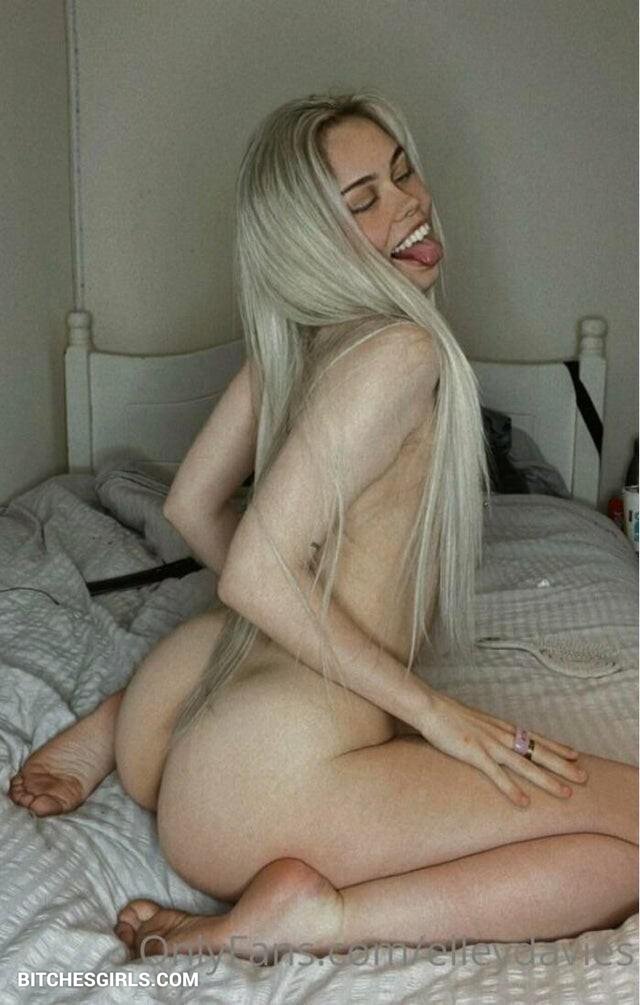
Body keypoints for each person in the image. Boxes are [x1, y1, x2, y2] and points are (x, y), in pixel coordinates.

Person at [9, 92, 638, 962]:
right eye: (364, 201)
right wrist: (437, 714)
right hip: (265, 789)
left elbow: (191, 503)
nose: (409, 203)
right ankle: (320, 918)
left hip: (186, 719)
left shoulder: (302, 338)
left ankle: (122, 721)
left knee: (237, 626)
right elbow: (254, 572)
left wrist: (281, 629)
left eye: (403, 173)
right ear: (313, 241)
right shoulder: (402, 353)